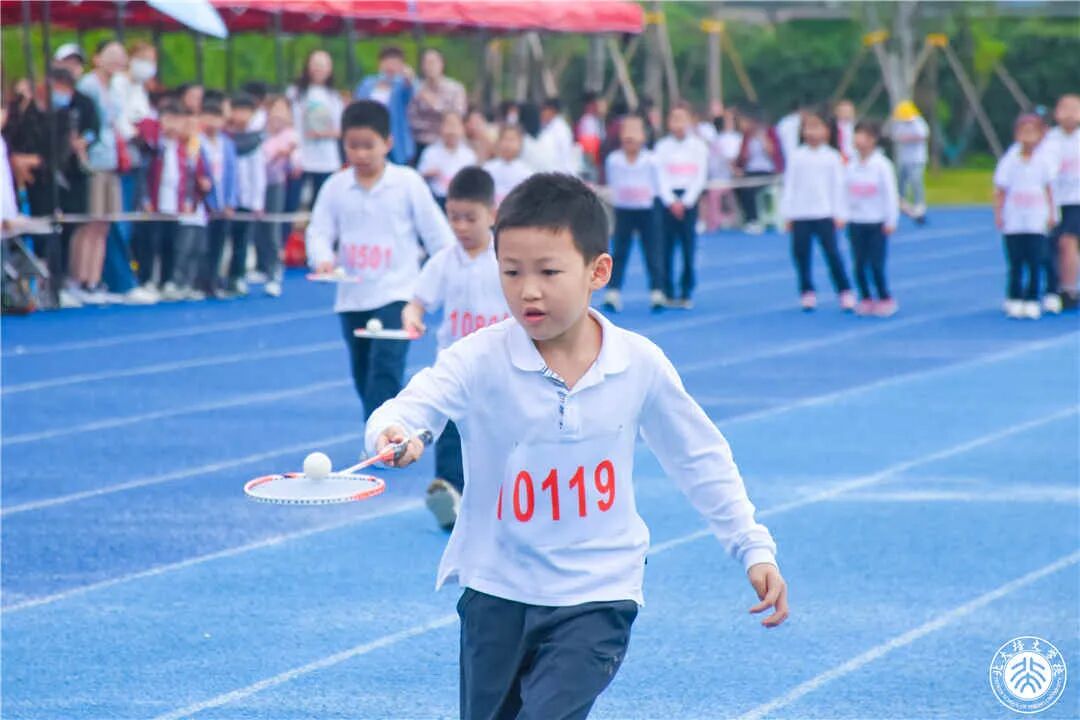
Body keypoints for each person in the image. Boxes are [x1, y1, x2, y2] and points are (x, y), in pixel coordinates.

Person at [365, 172, 788, 720]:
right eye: (511, 271)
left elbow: (698, 456)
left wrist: (752, 546)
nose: (528, 290)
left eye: (548, 272)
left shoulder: (639, 364)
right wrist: (391, 431)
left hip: (597, 593)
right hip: (497, 591)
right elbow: (409, 407)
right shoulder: (476, 359)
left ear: (598, 271)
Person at [305, 100, 454, 419]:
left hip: (397, 293)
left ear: (387, 142)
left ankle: (383, 437)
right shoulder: (336, 187)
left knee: (384, 370)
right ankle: (389, 429)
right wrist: (323, 259)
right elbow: (319, 230)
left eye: (368, 145)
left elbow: (438, 237)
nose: (360, 154)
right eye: (352, 145)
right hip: (352, 297)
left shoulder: (407, 183)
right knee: (363, 375)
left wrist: (440, 284)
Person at [401, 166, 508, 529]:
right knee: (449, 431)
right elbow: (417, 301)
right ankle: (448, 492)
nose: (460, 226)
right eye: (453, 217)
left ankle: (503, 498)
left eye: (469, 218)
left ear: (492, 213)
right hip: (454, 366)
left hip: (500, 367)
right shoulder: (445, 259)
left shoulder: (506, 260)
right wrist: (413, 317)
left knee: (498, 436)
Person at [780, 105, 854, 312]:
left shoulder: (832, 157)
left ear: (827, 131)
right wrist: (787, 213)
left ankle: (844, 290)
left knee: (832, 254)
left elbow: (838, 187)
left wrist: (840, 213)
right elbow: (789, 186)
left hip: (824, 213)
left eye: (816, 127)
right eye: (808, 127)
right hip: (801, 214)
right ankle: (806, 290)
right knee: (801, 254)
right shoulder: (796, 156)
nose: (812, 132)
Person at [70, 39, 127, 305]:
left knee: (104, 223)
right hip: (92, 162)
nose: (116, 60)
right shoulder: (88, 87)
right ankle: (79, 279)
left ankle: (94, 280)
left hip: (110, 161)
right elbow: (84, 124)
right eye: (111, 54)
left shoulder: (114, 88)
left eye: (120, 55)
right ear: (97, 58)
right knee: (89, 222)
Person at [994, 114, 1056, 320]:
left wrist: (1052, 213)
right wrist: (999, 214)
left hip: (1036, 218)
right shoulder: (1009, 160)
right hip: (1014, 218)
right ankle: (1014, 297)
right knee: (1015, 261)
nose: (1027, 137)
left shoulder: (1044, 160)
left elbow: (1049, 189)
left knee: (1035, 260)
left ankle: (1032, 298)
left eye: (1032, 132)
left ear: (1040, 135)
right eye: (1023, 132)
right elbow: (1001, 189)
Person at [602, 114, 665, 313]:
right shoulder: (614, 160)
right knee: (619, 252)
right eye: (626, 131)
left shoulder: (651, 160)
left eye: (635, 131)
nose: (630, 136)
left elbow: (659, 186)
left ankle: (657, 291)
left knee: (652, 251)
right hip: (624, 211)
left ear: (644, 136)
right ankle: (613, 292)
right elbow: (613, 184)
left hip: (647, 210)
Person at [655, 101, 708, 309]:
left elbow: (700, 176)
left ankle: (686, 290)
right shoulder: (662, 147)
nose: (678, 124)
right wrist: (671, 201)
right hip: (668, 202)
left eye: (682, 119)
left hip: (688, 201)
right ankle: (667, 290)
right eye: (674, 119)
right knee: (666, 247)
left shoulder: (698, 147)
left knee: (688, 247)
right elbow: (660, 176)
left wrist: (686, 202)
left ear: (690, 121)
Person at [846, 121, 900, 317]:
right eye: (857, 135)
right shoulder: (851, 165)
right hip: (856, 221)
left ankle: (885, 297)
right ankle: (866, 298)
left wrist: (891, 220)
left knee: (876, 264)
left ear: (873, 140)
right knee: (859, 264)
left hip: (876, 222)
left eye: (864, 136)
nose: (858, 140)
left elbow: (890, 194)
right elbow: (844, 191)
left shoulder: (882, 165)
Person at [289, 50, 344, 210]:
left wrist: (323, 133)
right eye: (315, 64)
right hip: (301, 157)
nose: (319, 69)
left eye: (323, 65)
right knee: (293, 202)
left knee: (322, 204)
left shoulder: (334, 96)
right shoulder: (296, 93)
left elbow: (341, 129)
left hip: (327, 159)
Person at [1041, 94, 1080, 312]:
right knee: (1052, 245)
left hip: (1076, 200)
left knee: (1068, 241)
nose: (1070, 115)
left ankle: (1068, 289)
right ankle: (1053, 286)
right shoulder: (1049, 140)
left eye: (1075, 109)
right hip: (1054, 200)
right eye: (1065, 109)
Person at [197, 96, 238, 298]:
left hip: (224, 203)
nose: (212, 122)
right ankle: (200, 282)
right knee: (201, 244)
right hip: (204, 204)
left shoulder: (227, 144)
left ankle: (214, 282)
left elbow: (233, 174)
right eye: (208, 117)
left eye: (216, 117)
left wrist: (231, 201)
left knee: (219, 244)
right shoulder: (197, 142)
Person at [228, 93, 268, 296]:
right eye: (237, 110)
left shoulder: (255, 141)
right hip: (225, 201)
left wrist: (257, 202)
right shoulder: (225, 138)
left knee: (241, 241)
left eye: (245, 111)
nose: (241, 115)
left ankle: (237, 277)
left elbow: (258, 175)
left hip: (246, 200)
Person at [261, 95, 301, 295]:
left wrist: (287, 155)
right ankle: (258, 267)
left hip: (275, 184)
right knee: (255, 229)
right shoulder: (259, 133)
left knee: (273, 228)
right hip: (253, 186)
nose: (278, 115)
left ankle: (274, 271)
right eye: (274, 109)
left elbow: (295, 168)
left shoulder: (291, 136)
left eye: (282, 110)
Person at [355, 46, 415, 166]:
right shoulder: (367, 84)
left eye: (395, 63)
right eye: (387, 62)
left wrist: (409, 78)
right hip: (370, 137)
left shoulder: (402, 85)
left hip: (396, 141)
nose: (390, 67)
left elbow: (409, 94)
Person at [407, 48, 467, 165]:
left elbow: (457, 116)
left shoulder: (455, 89)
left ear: (442, 64)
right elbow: (412, 118)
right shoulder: (416, 89)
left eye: (433, 62)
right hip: (421, 141)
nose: (430, 67)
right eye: (426, 63)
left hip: (448, 142)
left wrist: (433, 102)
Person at [734, 107, 784, 234]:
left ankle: (760, 218)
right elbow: (742, 157)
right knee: (741, 187)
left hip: (767, 171)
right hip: (750, 171)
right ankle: (750, 218)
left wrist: (763, 139)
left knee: (752, 189)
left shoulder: (770, 133)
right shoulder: (747, 137)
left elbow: (774, 153)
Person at [417, 112, 477, 209]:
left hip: (461, 200)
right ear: (440, 128)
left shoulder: (469, 155)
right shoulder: (430, 152)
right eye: (448, 125)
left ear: (462, 129)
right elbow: (419, 177)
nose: (451, 130)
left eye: (455, 125)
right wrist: (428, 174)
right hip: (436, 199)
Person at [889, 100, 929, 225]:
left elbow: (923, 135)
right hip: (903, 158)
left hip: (917, 158)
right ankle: (901, 203)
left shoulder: (917, 122)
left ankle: (919, 205)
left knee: (916, 180)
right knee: (900, 182)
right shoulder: (899, 123)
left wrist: (907, 138)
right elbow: (895, 136)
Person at [483, 124, 534, 206]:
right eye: (505, 139)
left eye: (512, 140)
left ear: (520, 143)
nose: (507, 144)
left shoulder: (527, 173)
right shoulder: (487, 169)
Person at [537, 97, 578, 175]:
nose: (541, 113)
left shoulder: (561, 129)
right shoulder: (546, 126)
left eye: (543, 110)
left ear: (552, 111)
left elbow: (564, 155)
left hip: (560, 171)